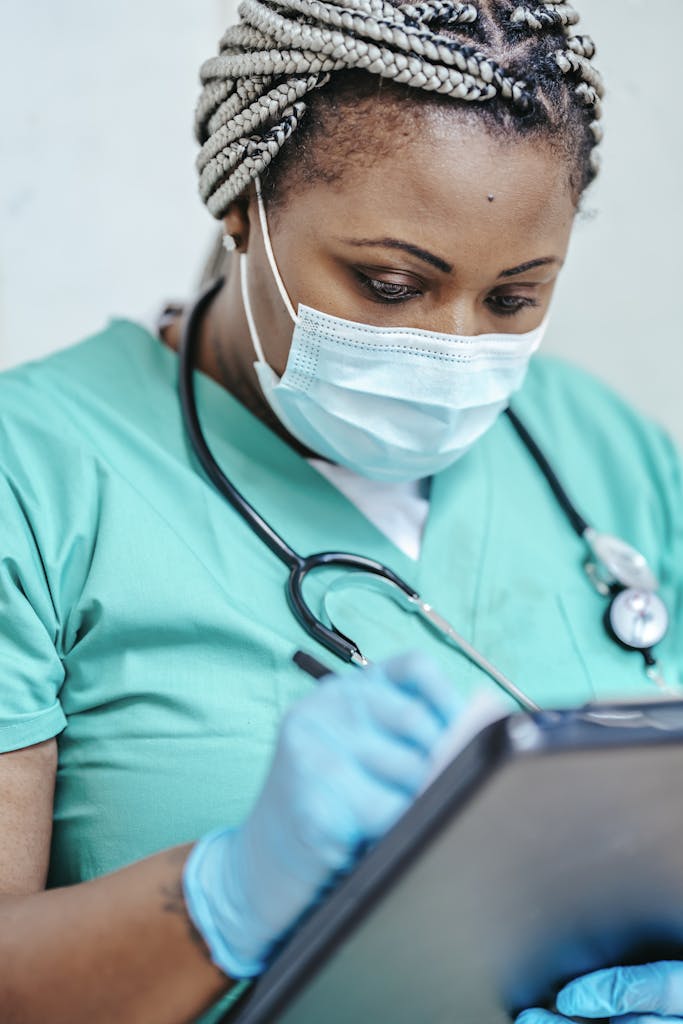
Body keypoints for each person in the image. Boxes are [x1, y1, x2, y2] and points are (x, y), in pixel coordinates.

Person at [0, 0, 681, 1021]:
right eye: (389, 282)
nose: (451, 347)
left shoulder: (606, 450)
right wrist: (221, 898)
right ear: (243, 207)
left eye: (512, 298)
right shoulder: (36, 470)